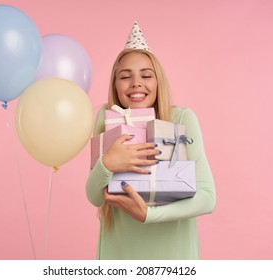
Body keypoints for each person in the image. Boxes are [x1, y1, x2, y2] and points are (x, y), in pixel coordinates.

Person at [86, 22, 216, 260]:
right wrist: (107, 164)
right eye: (125, 76)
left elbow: (207, 197)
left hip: (174, 255)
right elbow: (95, 196)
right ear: (115, 84)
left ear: (158, 83)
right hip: (120, 252)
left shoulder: (182, 118)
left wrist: (148, 214)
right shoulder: (106, 119)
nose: (136, 83)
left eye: (146, 75)